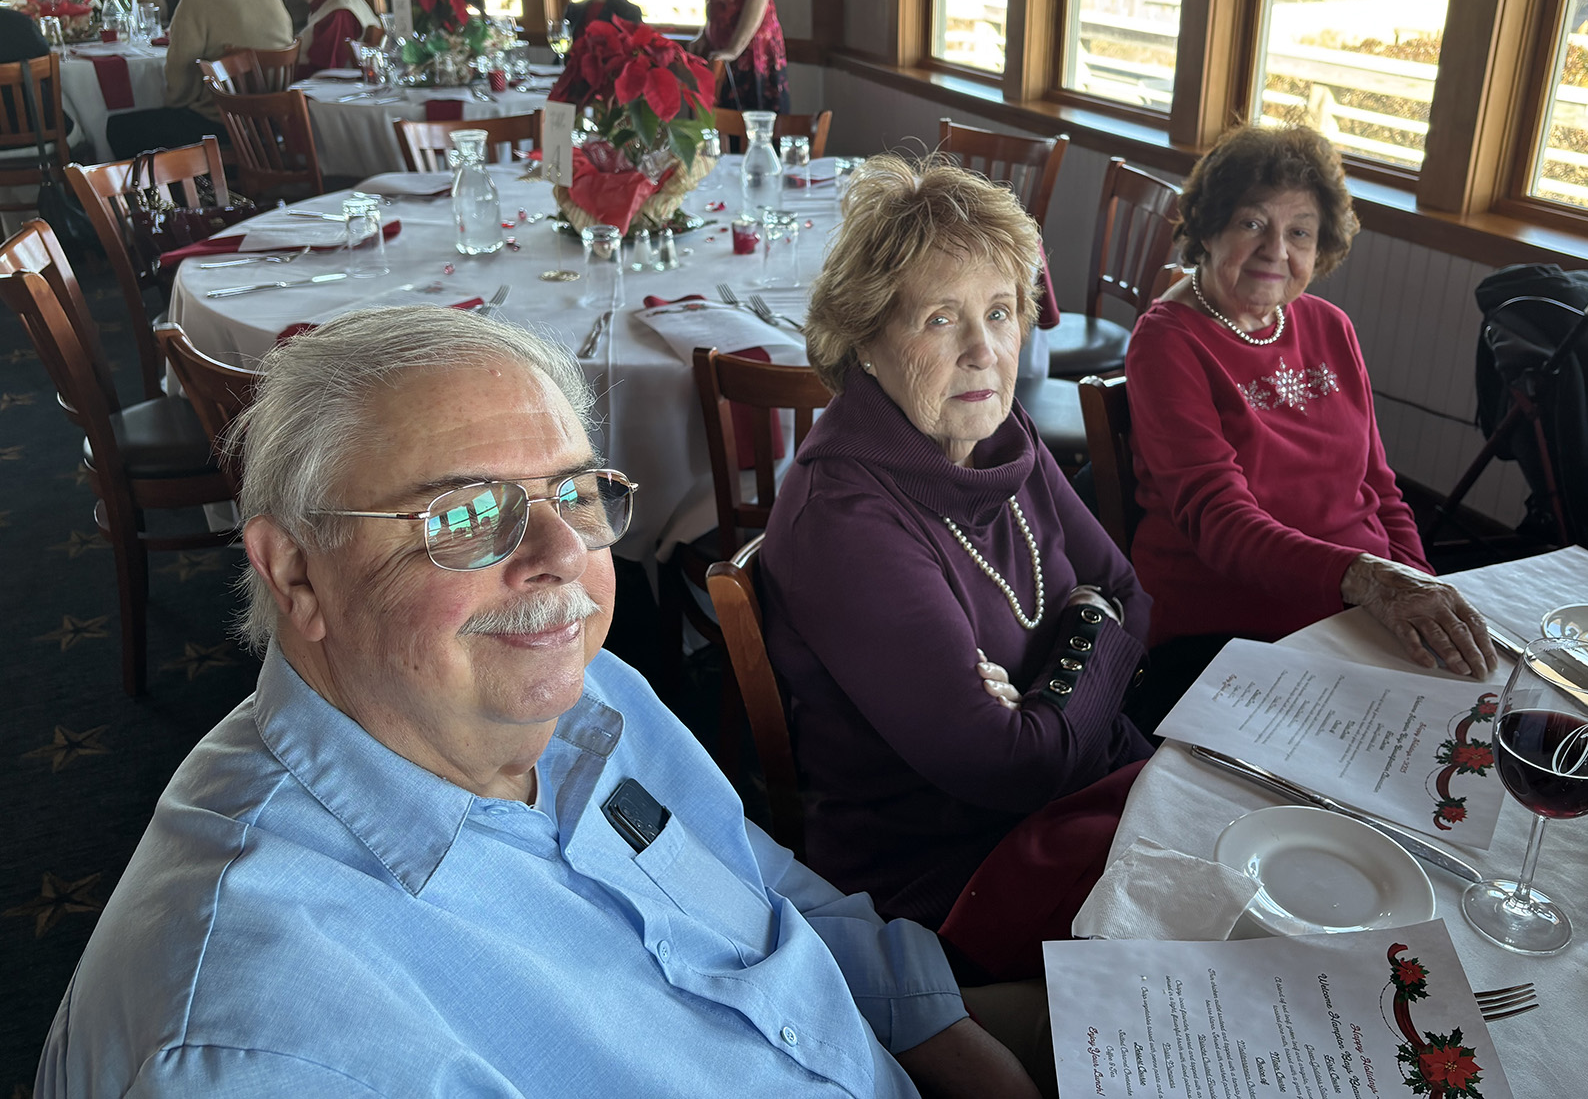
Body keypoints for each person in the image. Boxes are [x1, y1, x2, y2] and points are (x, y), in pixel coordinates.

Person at [36, 306, 1039, 1099]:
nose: (564, 555)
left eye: (574, 492)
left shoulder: (581, 692)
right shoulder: (259, 1045)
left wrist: (935, 1026)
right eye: (468, 514)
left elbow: (761, 884)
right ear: (296, 573)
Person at [760, 157, 1152, 939]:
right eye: (941, 318)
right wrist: (1091, 635)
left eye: (1000, 312)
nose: (983, 350)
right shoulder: (844, 520)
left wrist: (1047, 691)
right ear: (866, 341)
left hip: (1087, 801)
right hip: (953, 872)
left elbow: (1132, 596)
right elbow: (1013, 768)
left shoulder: (1000, 435)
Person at [1124, 124, 1497, 701]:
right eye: (1252, 224)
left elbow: (1380, 487)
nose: (1276, 250)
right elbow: (1220, 523)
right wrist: (1369, 579)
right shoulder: (1167, 341)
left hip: (1360, 610)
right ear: (1208, 227)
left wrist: (1417, 585)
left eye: (1299, 232)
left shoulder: (1329, 325)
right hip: (1233, 623)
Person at [103, 0, 294, 159]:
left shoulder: (195, 1)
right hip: (274, 122)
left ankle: (185, 182)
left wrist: (173, 106)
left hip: (223, 124)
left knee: (118, 127)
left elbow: (179, 74)